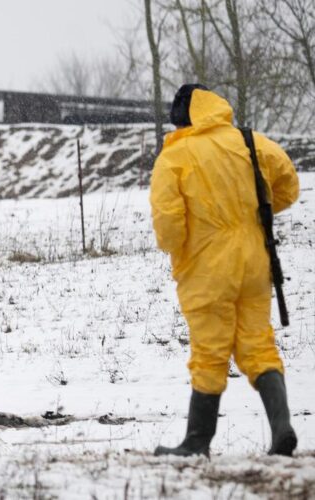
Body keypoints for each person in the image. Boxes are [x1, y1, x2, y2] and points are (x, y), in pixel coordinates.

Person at [150, 84, 300, 457]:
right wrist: (250, 214)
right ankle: (282, 428)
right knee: (258, 344)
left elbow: (169, 227)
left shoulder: (175, 156)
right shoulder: (249, 141)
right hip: (255, 261)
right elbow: (288, 187)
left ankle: (196, 441)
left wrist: (181, 244)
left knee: (209, 351)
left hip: (207, 268)